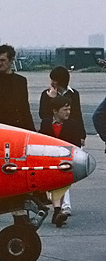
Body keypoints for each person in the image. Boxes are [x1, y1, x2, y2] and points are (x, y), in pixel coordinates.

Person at [39, 95, 85, 226]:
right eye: (65, 109)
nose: (68, 112)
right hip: (51, 160)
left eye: (69, 109)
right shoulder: (46, 123)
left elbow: (76, 145)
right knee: (54, 183)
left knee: (59, 183)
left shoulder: (73, 125)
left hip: (66, 161)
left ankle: (58, 211)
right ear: (55, 110)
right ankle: (58, 211)